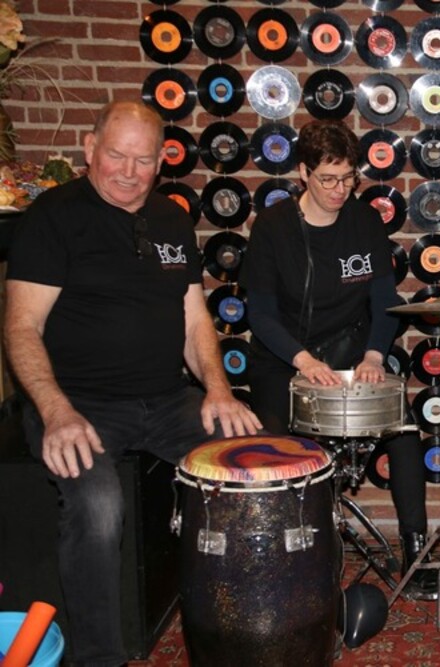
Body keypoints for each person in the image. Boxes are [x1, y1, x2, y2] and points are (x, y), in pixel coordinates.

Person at [3, 100, 262, 667]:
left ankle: (240, 628)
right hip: (78, 403)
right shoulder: (53, 216)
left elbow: (195, 321)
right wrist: (56, 411)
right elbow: (21, 326)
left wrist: (219, 391)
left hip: (166, 399)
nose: (128, 171)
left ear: (161, 162)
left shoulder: (172, 219)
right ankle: (101, 658)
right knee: (99, 505)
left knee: (252, 466)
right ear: (89, 148)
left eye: (143, 160)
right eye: (116, 155)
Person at [239, 118, 437, 597]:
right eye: (327, 178)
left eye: (348, 178)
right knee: (275, 449)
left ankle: (416, 553)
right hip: (284, 358)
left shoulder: (364, 220)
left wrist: (374, 354)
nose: (339, 190)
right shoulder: (272, 227)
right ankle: (286, 558)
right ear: (303, 173)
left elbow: (385, 301)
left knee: (405, 431)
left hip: (351, 351)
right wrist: (303, 361)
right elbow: (259, 313)